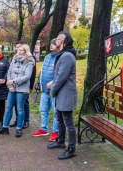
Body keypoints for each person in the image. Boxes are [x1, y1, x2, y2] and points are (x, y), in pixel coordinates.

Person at [46, 32, 77, 160]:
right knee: (59, 118)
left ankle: (71, 149)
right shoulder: (63, 54)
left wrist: (52, 90)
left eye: (59, 39)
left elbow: (61, 77)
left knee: (68, 121)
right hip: (61, 93)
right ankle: (60, 141)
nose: (56, 40)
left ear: (64, 41)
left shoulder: (67, 56)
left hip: (66, 94)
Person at [0, 44, 35, 137]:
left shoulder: (30, 61)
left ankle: (19, 128)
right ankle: (5, 127)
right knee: (8, 108)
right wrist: (10, 85)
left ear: (26, 51)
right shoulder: (14, 59)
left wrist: (14, 81)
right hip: (12, 88)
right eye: (18, 50)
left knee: (20, 108)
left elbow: (27, 76)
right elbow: (9, 72)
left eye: (21, 50)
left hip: (22, 88)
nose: (19, 52)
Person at [32, 39, 59, 141]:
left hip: (55, 91)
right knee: (43, 110)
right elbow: (43, 71)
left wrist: (53, 82)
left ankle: (56, 132)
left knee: (56, 112)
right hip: (45, 90)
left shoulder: (60, 57)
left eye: (54, 44)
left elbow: (61, 74)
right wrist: (41, 84)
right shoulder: (47, 56)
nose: (51, 46)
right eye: (50, 44)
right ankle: (44, 129)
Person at [10, 41, 36, 129]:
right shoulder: (16, 58)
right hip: (16, 85)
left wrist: (31, 86)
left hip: (25, 85)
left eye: (19, 47)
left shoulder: (30, 59)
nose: (17, 49)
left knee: (25, 104)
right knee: (16, 104)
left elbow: (32, 75)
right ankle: (18, 120)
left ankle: (26, 120)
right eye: (16, 47)